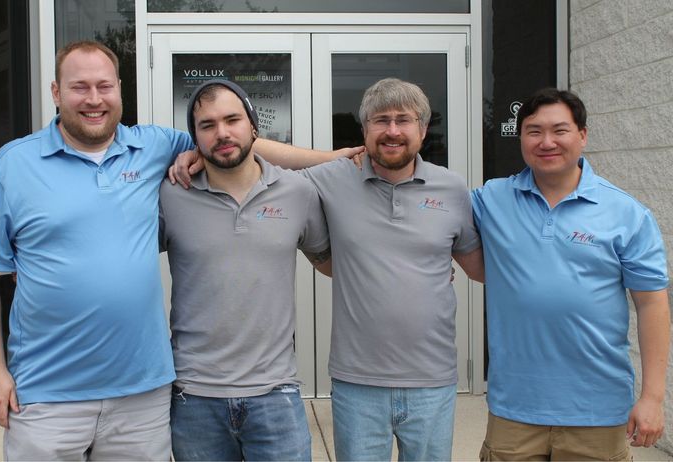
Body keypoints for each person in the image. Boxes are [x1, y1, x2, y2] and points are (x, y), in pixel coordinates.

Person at [0, 40, 358, 460]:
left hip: (143, 395)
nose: (94, 99)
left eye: (104, 86)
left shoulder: (152, 147)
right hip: (45, 393)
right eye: (79, 87)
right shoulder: (12, 166)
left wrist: (329, 158)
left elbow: (236, 143)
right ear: (56, 93)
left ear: (119, 90)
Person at [173, 77, 485, 461]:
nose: (392, 131)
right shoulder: (327, 181)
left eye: (404, 120)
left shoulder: (452, 188)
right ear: (364, 129)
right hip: (356, 381)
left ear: (423, 128)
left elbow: (478, 267)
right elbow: (248, 147)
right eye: (380, 120)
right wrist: (199, 153)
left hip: (433, 378)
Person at [472, 88, 670, 460]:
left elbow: (652, 304)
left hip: (596, 409)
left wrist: (653, 397)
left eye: (559, 130)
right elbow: (424, 209)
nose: (546, 142)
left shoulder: (627, 213)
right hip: (515, 408)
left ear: (582, 135)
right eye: (533, 131)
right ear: (521, 139)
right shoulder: (491, 200)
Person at [159, 79, 331, 461]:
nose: (222, 133)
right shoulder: (171, 194)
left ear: (253, 126)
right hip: (194, 397)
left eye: (232, 119)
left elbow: (331, 263)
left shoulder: (298, 193)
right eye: (207, 125)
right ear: (195, 140)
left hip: (275, 394)